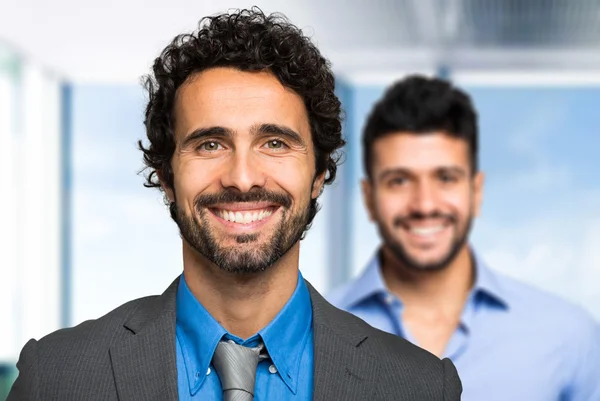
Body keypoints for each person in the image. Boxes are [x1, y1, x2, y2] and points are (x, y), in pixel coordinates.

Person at [8, 9, 462, 401]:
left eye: (274, 143)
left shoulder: (419, 386)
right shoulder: (56, 377)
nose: (243, 178)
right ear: (166, 176)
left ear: (319, 175)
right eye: (209, 144)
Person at [327, 75, 600, 401]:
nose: (425, 205)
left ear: (476, 191)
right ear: (369, 197)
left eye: (446, 178)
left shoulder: (568, 336)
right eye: (399, 180)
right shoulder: (312, 334)